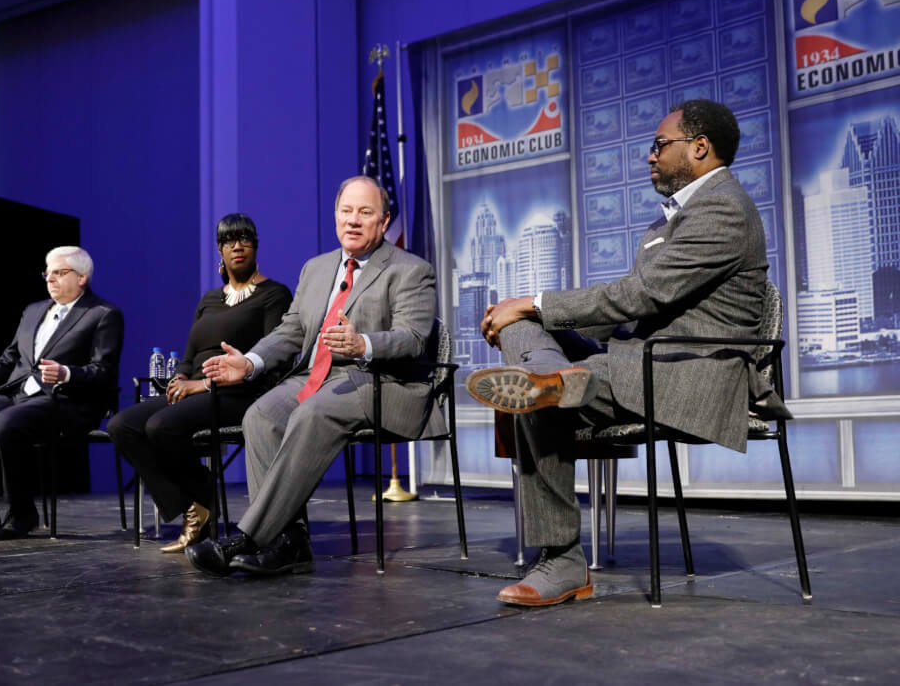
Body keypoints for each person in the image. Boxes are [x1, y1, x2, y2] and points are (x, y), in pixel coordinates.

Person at [465, 99, 789, 607]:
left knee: (538, 344)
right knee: (522, 335)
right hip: (637, 358)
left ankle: (563, 557)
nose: (649, 156)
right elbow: (625, 312)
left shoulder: (724, 208)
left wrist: (536, 302)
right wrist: (529, 315)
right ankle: (550, 381)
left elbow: (644, 296)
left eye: (660, 145)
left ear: (699, 147)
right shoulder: (667, 223)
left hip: (692, 370)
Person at [185, 175, 444, 577]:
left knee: (312, 413)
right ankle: (291, 542)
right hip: (317, 377)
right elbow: (291, 331)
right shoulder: (317, 268)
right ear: (336, 216)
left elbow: (413, 338)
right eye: (346, 211)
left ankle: (251, 537)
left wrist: (364, 345)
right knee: (262, 414)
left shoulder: (411, 270)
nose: (353, 220)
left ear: (384, 220)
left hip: (381, 382)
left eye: (365, 212)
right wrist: (250, 362)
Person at [107, 214, 292, 553]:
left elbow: (273, 357)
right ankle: (196, 503)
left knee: (161, 426)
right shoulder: (209, 299)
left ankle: (201, 495)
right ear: (219, 251)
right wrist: (180, 375)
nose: (237, 246)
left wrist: (204, 385)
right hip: (194, 390)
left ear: (256, 246)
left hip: (241, 392)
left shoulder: (274, 295)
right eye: (228, 240)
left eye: (244, 238)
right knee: (122, 426)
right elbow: (191, 353)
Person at [0, 246, 124, 540]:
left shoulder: (103, 315)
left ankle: (22, 513)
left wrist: (67, 373)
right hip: (17, 395)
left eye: (59, 272)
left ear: (82, 278)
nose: (50, 279)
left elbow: (104, 371)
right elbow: (9, 359)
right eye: (47, 272)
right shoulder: (33, 310)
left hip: (66, 402)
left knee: (5, 423)